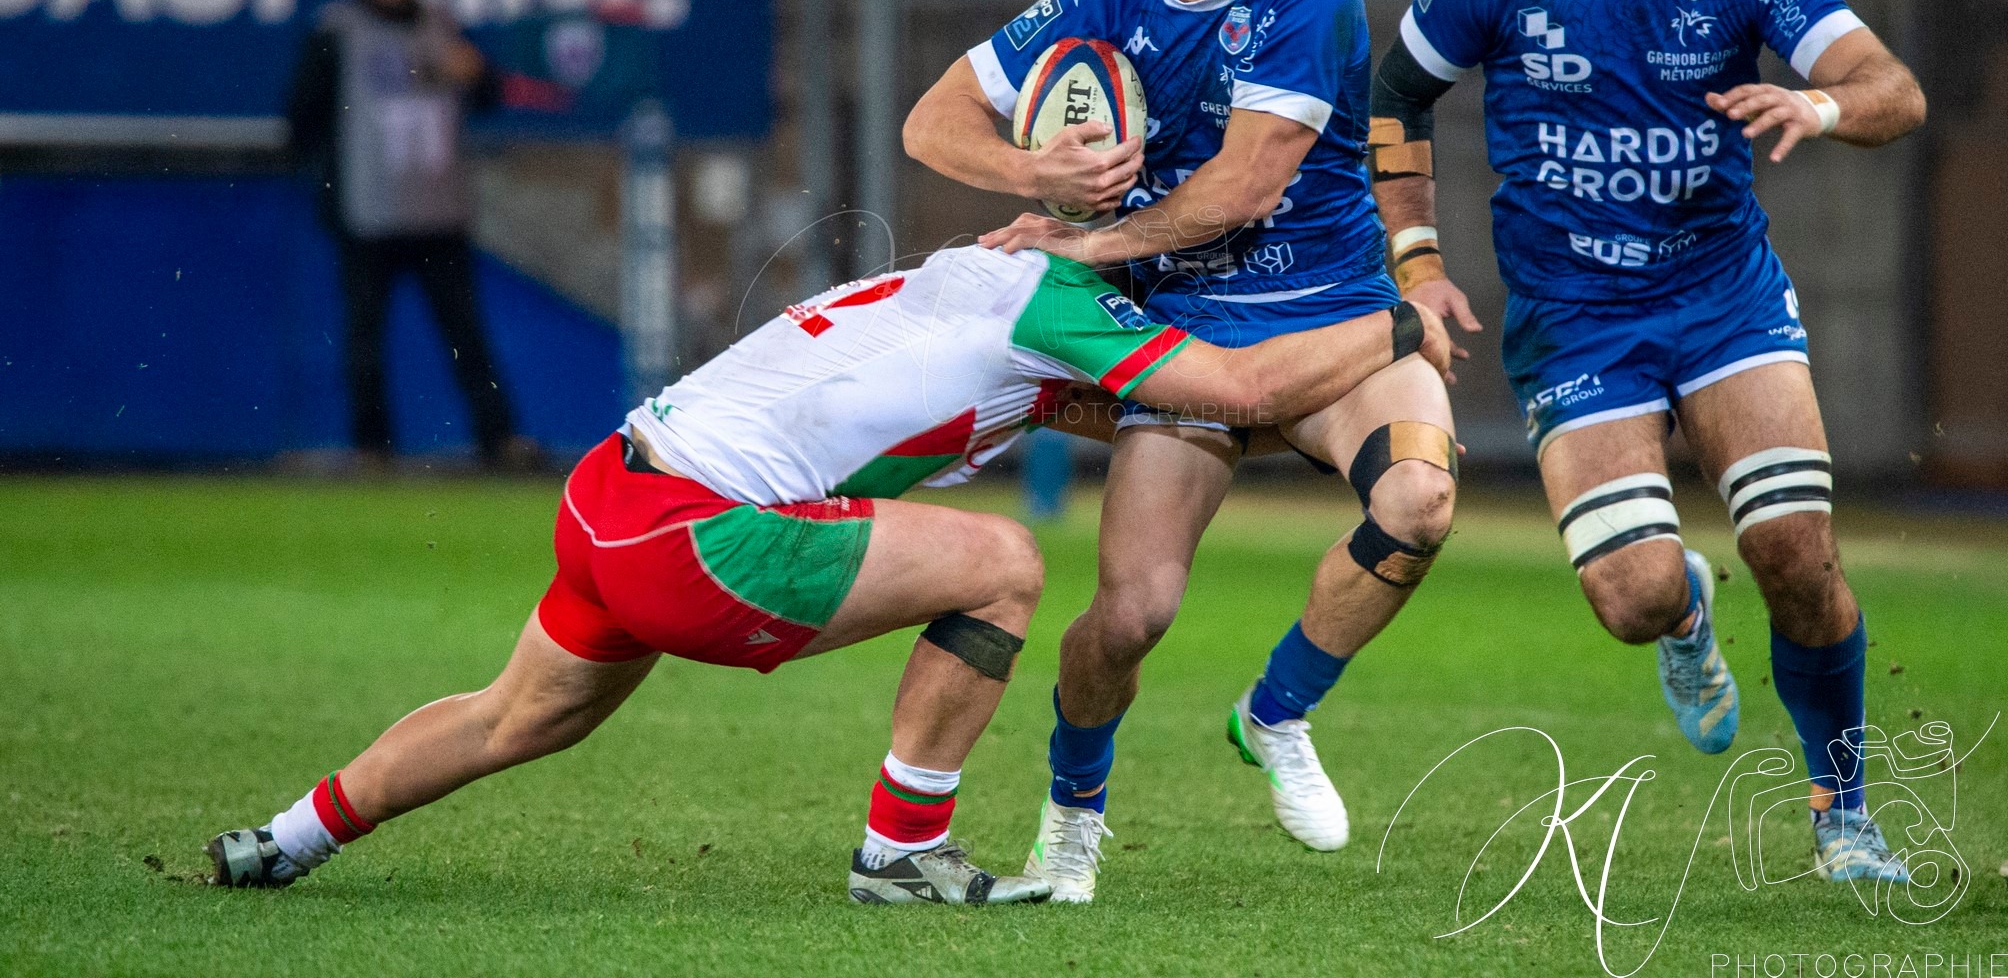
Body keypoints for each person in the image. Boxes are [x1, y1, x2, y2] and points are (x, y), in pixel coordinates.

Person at [205, 242, 1452, 905]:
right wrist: (1398, 320)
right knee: (1004, 564)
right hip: (699, 532)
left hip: (610, 497)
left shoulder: (981, 278)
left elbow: (1156, 410)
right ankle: (901, 852)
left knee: (510, 712)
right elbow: (1227, 387)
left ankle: (286, 837)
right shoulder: (1061, 305)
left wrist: (1263, 419)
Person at [1370, 0, 1926, 883]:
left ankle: (1844, 813)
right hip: (1575, 316)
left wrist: (1815, 109)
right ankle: (1683, 616)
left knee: (1792, 547)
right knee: (1627, 596)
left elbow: (1892, 89)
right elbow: (1393, 93)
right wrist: (1417, 260)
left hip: (1721, 296)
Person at [904, 0, 1460, 901]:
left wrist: (1082, 246)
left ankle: (1276, 711)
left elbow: (1243, 188)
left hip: (1330, 319)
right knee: (1130, 615)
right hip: (1189, 338)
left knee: (1419, 503)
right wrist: (1034, 174)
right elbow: (931, 121)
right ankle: (1071, 813)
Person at [287, 0, 535, 471]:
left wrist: (477, 75)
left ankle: (498, 438)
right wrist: (332, 191)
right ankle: (372, 445)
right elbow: (301, 118)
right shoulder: (340, 30)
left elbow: (488, 93)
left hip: (437, 212)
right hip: (369, 213)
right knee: (366, 340)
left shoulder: (438, 25)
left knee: (466, 335)